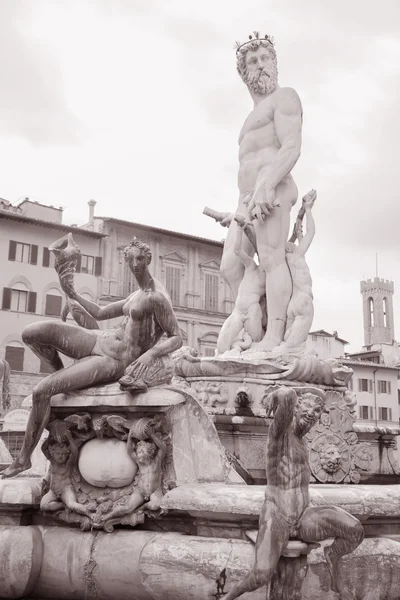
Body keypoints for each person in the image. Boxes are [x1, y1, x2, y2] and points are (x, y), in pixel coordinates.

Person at [1, 238, 182, 478]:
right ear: (126, 261)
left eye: (140, 259)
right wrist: (72, 293)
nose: (135, 264)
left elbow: (176, 337)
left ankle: (23, 459)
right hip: (100, 338)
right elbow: (98, 311)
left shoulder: (156, 297)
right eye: (131, 259)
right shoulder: (136, 295)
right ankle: (61, 374)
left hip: (114, 361)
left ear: (148, 260)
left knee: (41, 392)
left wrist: (151, 353)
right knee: (31, 333)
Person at [221, 387, 364, 600]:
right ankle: (230, 595)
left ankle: (332, 556)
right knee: (261, 574)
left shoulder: (303, 442)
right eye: (307, 408)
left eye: (317, 411)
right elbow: (287, 396)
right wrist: (275, 396)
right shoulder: (280, 433)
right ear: (296, 409)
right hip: (277, 514)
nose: (312, 413)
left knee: (355, 530)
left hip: (304, 516)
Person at [221, 32, 303, 351]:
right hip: (245, 198)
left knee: (270, 259)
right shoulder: (248, 118)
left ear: (275, 63)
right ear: (244, 73)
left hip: (273, 187)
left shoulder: (286, 97)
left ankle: (274, 337)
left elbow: (292, 147)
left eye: (266, 58)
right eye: (253, 61)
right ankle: (253, 324)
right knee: (230, 265)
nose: (261, 64)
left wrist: (268, 182)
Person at [274, 189, 316, 354]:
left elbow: (296, 235)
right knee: (293, 350)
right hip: (304, 301)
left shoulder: (284, 261)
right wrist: (309, 209)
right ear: (291, 249)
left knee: (286, 345)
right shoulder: (297, 255)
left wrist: (300, 216)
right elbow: (310, 233)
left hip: (292, 305)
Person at [217, 214, 265, 354]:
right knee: (221, 345)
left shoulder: (270, 279)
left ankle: (241, 351)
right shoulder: (251, 266)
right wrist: (239, 229)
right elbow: (237, 250)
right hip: (238, 310)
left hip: (252, 311)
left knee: (254, 347)